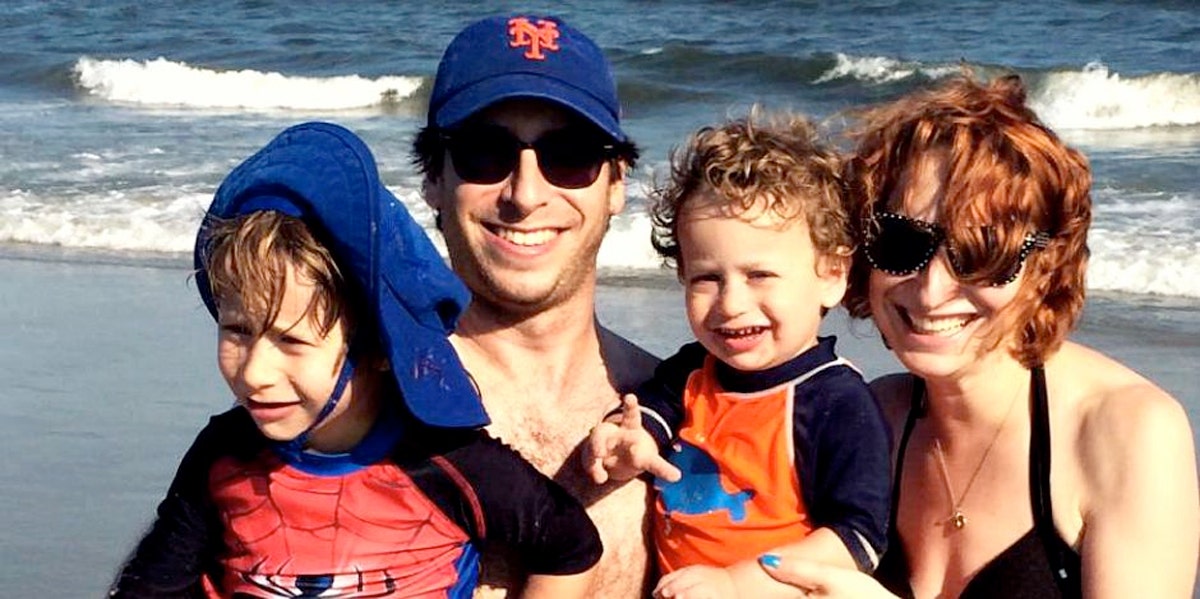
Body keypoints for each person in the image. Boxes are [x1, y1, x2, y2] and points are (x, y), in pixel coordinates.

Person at [108, 122, 603, 598]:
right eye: (237, 330)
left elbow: (571, 546)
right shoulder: (223, 454)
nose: (254, 373)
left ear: (380, 349)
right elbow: (152, 586)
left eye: (293, 341)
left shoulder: (446, 461)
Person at [758, 74, 1200, 598]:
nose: (933, 289)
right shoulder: (875, 418)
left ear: (1046, 265)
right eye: (901, 243)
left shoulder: (1125, 432)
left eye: (981, 253)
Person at [584, 111, 892, 599]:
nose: (730, 304)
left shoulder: (836, 402)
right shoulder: (692, 370)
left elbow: (858, 540)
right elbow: (649, 415)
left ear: (831, 275)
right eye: (707, 277)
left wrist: (738, 582)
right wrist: (627, 443)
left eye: (760, 275)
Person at [412, 14, 659, 598]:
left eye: (569, 155)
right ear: (433, 180)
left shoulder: (682, 406)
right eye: (483, 152)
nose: (525, 194)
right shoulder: (371, 400)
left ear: (617, 183)